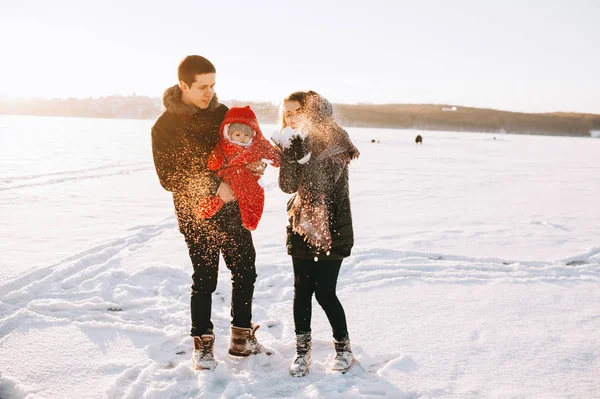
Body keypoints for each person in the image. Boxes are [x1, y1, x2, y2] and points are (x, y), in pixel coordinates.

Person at [151, 55, 268, 371]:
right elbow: (169, 177)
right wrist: (214, 186)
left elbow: (242, 148)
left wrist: (251, 166)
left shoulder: (223, 115)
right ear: (183, 85)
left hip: (231, 210)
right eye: (202, 86)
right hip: (196, 215)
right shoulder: (165, 127)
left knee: (246, 270)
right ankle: (202, 345)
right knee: (205, 279)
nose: (208, 92)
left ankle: (242, 337)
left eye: (213, 85)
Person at [274, 90, 360, 377]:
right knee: (302, 291)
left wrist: (302, 155)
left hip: (332, 227)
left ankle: (343, 348)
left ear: (314, 112)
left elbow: (322, 182)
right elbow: (288, 186)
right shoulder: (294, 142)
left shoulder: (335, 139)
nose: (292, 117)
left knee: (324, 292)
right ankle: (301, 352)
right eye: (288, 112)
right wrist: (291, 155)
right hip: (302, 225)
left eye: (298, 110)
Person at [195, 105, 281, 231]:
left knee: (255, 196)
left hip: (249, 180)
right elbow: (214, 159)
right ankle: (203, 213)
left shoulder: (258, 145)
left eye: (246, 135)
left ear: (253, 133)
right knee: (217, 199)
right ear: (229, 133)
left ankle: (251, 220)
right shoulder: (224, 145)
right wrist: (215, 162)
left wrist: (264, 162)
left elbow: (275, 158)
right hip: (228, 178)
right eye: (237, 134)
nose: (242, 138)